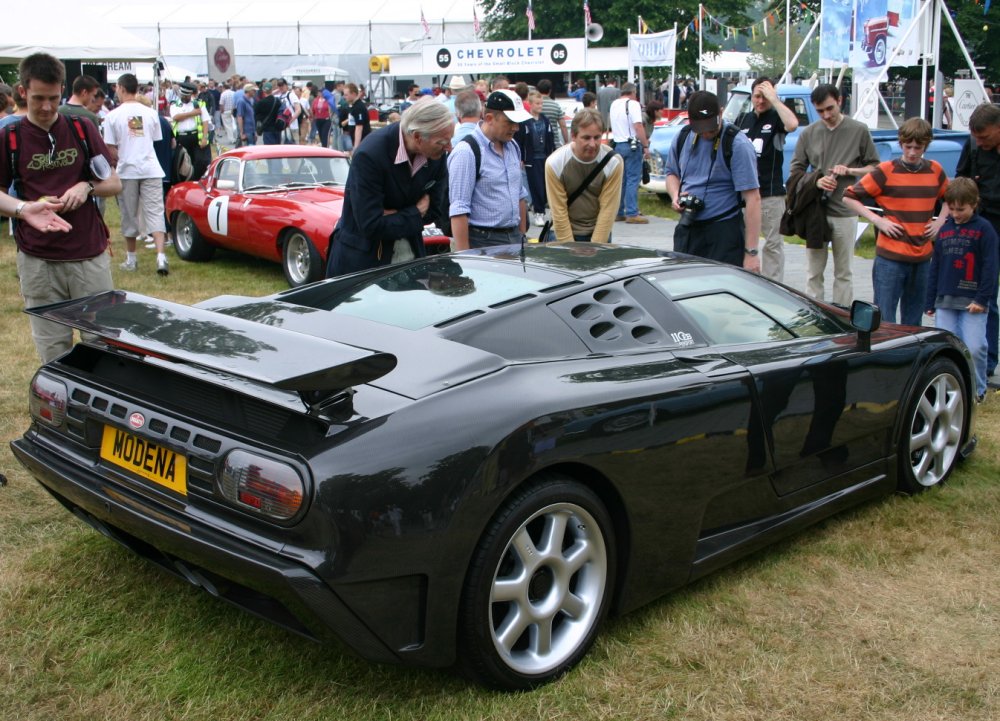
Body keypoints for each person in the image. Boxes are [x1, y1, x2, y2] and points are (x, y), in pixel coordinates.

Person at [0, 52, 122, 363]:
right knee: (53, 350)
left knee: (102, 342)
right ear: (23, 91)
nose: (46, 107)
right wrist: (24, 209)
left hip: (88, 254)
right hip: (38, 260)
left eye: (53, 98)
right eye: (38, 98)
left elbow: (113, 182)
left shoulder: (82, 128)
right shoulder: (9, 137)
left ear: (62, 89)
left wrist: (87, 187)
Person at [326, 99, 452, 276]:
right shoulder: (370, 155)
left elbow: (434, 211)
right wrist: (415, 211)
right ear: (417, 137)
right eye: (442, 142)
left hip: (410, 256)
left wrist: (394, 215)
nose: (449, 147)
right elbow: (370, 225)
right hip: (363, 264)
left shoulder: (437, 154)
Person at [843, 118, 949, 325]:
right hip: (890, 258)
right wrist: (878, 220)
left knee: (913, 319)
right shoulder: (885, 171)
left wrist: (940, 222)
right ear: (901, 144)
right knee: (884, 319)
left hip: (922, 257)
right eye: (908, 146)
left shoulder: (935, 170)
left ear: (926, 146)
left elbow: (950, 199)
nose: (912, 152)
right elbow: (848, 196)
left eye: (918, 147)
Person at [789, 84, 880, 306]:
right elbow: (795, 171)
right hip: (815, 210)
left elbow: (875, 167)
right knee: (813, 271)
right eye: (820, 111)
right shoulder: (809, 133)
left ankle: (843, 316)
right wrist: (816, 181)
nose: (826, 115)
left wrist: (850, 171)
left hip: (845, 209)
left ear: (839, 100)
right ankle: (815, 316)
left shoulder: (859, 129)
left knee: (844, 272)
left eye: (830, 108)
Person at [665, 90, 762, 271]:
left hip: (723, 231)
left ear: (721, 113)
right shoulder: (682, 137)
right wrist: (675, 196)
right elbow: (671, 173)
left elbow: (753, 199)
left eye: (711, 127)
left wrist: (751, 253)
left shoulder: (737, 144)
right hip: (689, 229)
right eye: (701, 129)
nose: (707, 134)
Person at [925, 177, 998, 401]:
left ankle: (977, 390)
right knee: (948, 346)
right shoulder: (945, 231)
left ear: (974, 204)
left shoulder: (985, 230)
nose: (956, 214)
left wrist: (982, 299)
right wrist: (930, 301)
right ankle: (949, 389)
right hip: (946, 299)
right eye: (953, 209)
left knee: (974, 346)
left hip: (973, 301)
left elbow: (990, 267)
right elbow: (935, 266)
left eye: (961, 209)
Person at [102, 72, 170, 275]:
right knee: (155, 212)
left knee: (129, 214)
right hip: (150, 168)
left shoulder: (112, 116)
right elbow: (155, 140)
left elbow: (111, 148)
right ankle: (161, 256)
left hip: (127, 169)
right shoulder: (151, 113)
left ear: (121, 88)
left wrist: (119, 158)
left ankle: (132, 258)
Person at [447, 89, 532, 250]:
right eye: (509, 122)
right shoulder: (466, 152)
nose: (516, 128)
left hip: (514, 237)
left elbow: (519, 194)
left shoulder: (512, 146)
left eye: (517, 123)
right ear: (489, 118)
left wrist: (521, 236)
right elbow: (459, 210)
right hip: (482, 241)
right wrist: (466, 258)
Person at [737, 77, 799, 281]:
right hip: (745, 195)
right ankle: (745, 283)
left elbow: (792, 124)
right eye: (757, 96)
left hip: (770, 194)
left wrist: (776, 100)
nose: (761, 101)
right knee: (744, 242)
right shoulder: (743, 119)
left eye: (765, 97)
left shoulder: (776, 117)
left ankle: (774, 287)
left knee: (773, 245)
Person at [956, 102, 1000, 385]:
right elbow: (960, 182)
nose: (980, 142)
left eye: (985, 137)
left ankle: (989, 358)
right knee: (984, 294)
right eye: (976, 137)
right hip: (982, 227)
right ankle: (985, 360)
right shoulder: (972, 147)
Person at [545, 108, 623, 243]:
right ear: (573, 136)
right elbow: (559, 211)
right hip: (564, 231)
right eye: (586, 138)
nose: (592, 144)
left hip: (598, 231)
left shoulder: (613, 162)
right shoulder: (555, 163)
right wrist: (569, 249)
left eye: (597, 137)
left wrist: (596, 247)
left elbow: (608, 210)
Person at [609, 82, 649, 224]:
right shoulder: (633, 104)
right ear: (633, 92)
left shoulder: (614, 104)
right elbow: (638, 125)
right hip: (631, 144)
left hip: (618, 144)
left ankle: (619, 211)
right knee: (633, 178)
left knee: (622, 180)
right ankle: (632, 212)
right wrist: (645, 145)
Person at [170, 81, 212, 178]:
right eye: (183, 96)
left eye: (186, 96)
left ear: (190, 95)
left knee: (201, 162)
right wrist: (192, 113)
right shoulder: (175, 105)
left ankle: (198, 180)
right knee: (183, 162)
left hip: (196, 136)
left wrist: (205, 138)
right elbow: (176, 117)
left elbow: (205, 121)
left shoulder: (198, 104)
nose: (184, 98)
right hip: (182, 137)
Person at [537, 79, 568, 148]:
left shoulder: (535, 106)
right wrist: (566, 141)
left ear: (538, 90)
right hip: (554, 143)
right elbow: (563, 126)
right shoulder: (556, 106)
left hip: (538, 144)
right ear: (550, 90)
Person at [343, 82, 371, 153]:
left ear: (354, 94)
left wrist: (356, 147)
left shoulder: (358, 107)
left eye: (346, 95)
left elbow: (359, 127)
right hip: (356, 141)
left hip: (363, 142)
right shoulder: (353, 106)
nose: (344, 97)